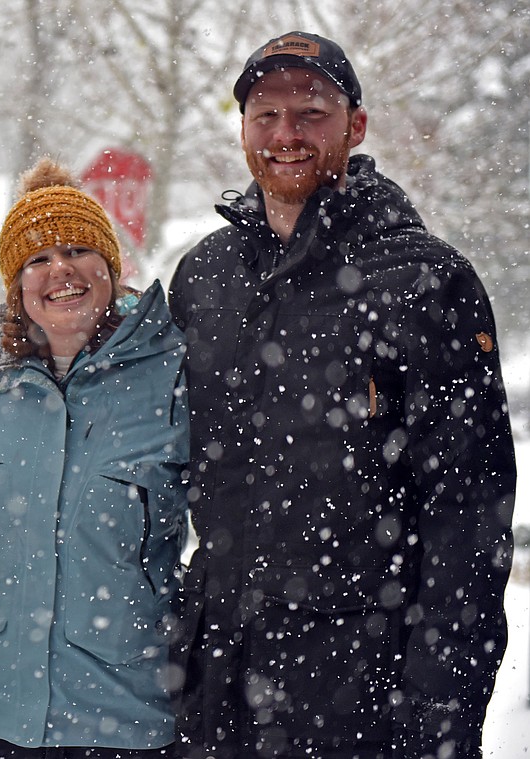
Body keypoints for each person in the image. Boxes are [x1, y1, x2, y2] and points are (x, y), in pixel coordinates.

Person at [168, 31, 516, 759]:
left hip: (359, 693)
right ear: (242, 129)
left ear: (355, 126)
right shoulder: (205, 278)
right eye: (265, 115)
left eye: (310, 112)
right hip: (217, 685)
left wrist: (441, 711)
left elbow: (468, 515)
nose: (285, 135)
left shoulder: (423, 282)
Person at [0, 157, 189, 758]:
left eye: (78, 250)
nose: (61, 270)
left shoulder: (175, 371)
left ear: (112, 266)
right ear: (15, 287)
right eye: (37, 259)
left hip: (127, 711)